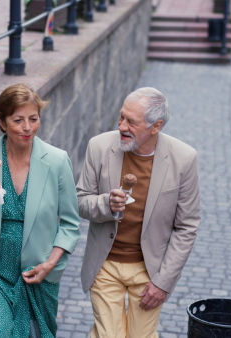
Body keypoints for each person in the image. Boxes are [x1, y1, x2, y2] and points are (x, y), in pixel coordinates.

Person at [77, 87, 201, 338]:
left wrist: (163, 282)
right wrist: (106, 204)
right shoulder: (99, 146)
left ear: (156, 126)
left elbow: (187, 226)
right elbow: (80, 202)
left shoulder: (184, 158)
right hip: (105, 264)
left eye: (131, 122)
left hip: (150, 269)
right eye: (121, 117)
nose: (122, 126)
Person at [0, 83, 81, 338]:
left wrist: (50, 264)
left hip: (39, 272)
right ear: (2, 122)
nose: (27, 128)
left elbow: (71, 223)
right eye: (18, 120)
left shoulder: (56, 160)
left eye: (33, 119)